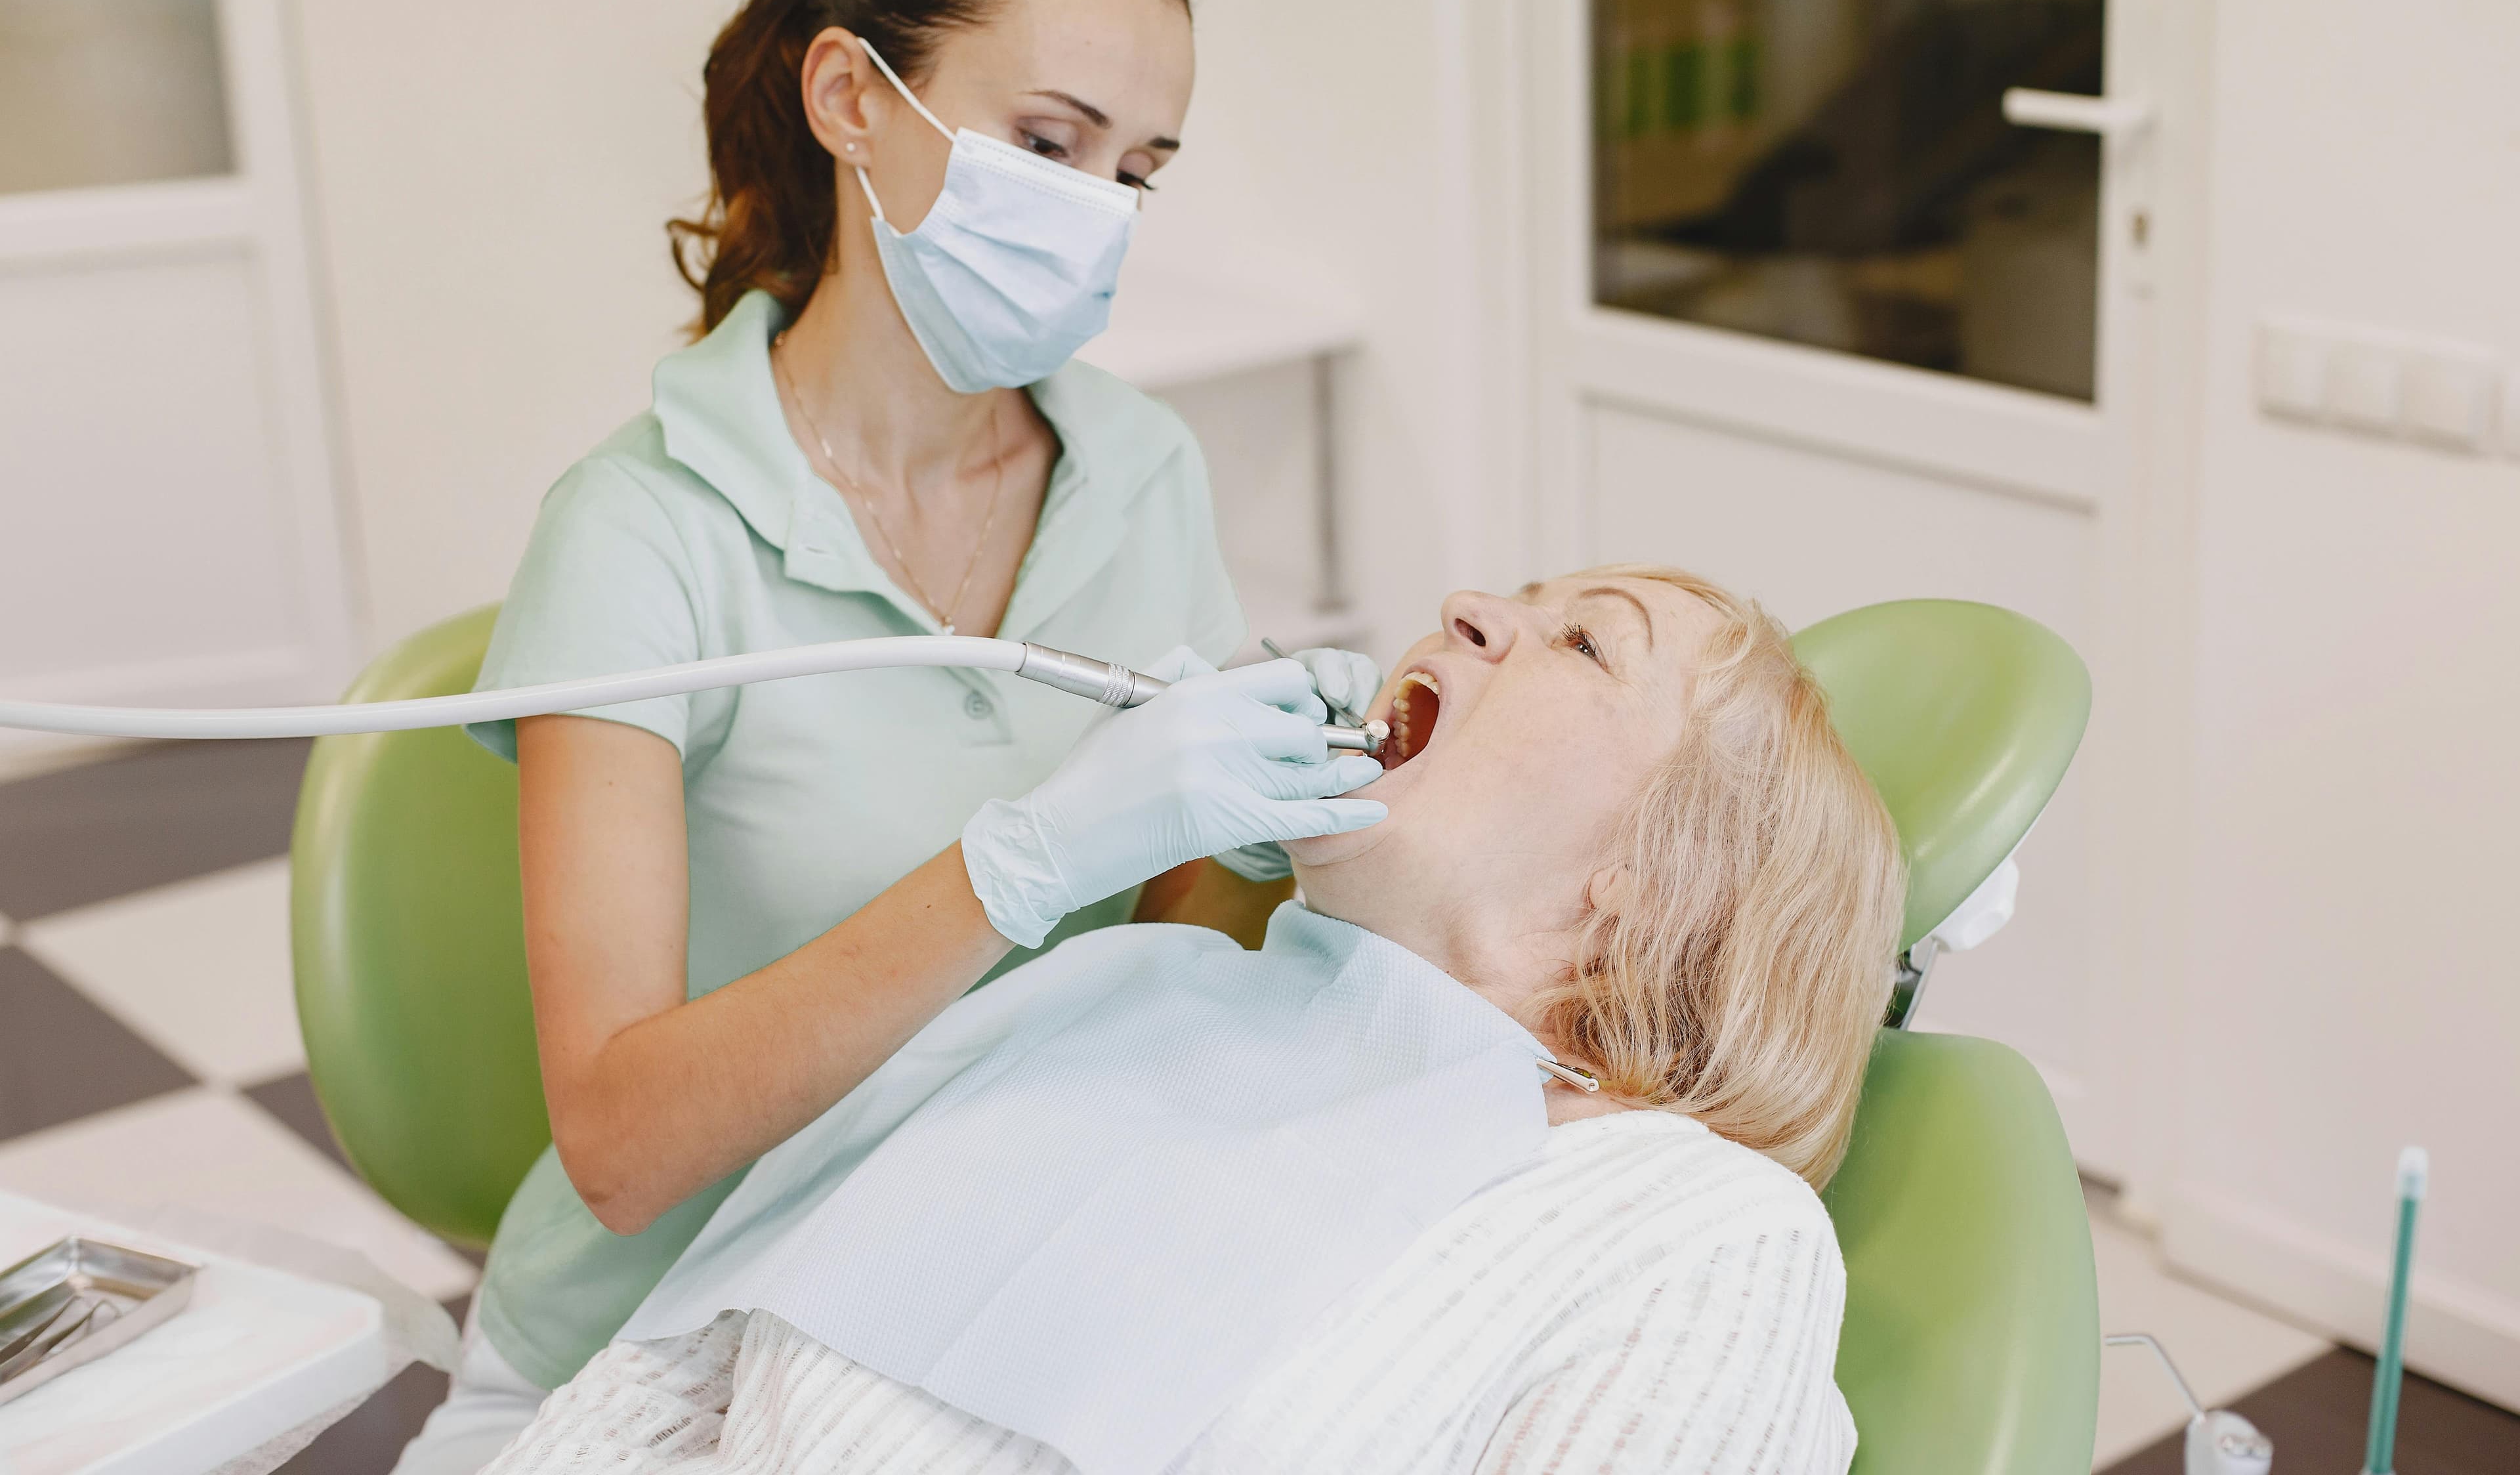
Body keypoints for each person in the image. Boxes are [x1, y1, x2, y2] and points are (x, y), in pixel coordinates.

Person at [396, 0, 1386, 1472]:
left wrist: (1247, 827)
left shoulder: (1141, 472)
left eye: (1136, 170)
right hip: (654, 1340)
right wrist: (1015, 862)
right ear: (852, 99)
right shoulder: (645, 532)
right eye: (1047, 143)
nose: (1094, 214)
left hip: (962, 1299)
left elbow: (1163, 949)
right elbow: (624, 1147)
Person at [476, 566, 1910, 1475]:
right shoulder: (1123, 998)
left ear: (1651, 881)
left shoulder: (1685, 1227)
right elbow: (673, 1388)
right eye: (1513, 597)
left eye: (1586, 642)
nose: (1472, 604)